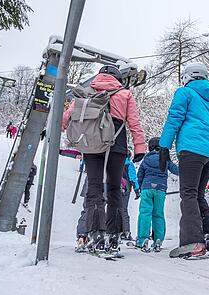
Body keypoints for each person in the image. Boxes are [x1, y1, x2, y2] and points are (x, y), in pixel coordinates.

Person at [62, 63, 146, 252]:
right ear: (118, 78)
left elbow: (69, 116)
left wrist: (52, 132)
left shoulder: (86, 92)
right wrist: (140, 147)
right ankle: (114, 236)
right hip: (117, 144)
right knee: (115, 188)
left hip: (91, 144)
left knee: (94, 186)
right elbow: (134, 123)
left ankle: (95, 234)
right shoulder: (125, 94)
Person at [159, 62, 209, 258]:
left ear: (187, 77)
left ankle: (193, 242)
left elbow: (174, 118)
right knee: (198, 195)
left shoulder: (185, 93)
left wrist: (164, 146)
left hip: (191, 150)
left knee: (189, 194)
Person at [135, 137, 179, 252]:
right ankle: (158, 239)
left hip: (147, 188)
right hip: (160, 190)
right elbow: (176, 170)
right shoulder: (165, 159)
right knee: (158, 213)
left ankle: (142, 239)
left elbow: (139, 175)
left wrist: (139, 188)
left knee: (145, 213)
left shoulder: (146, 160)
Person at [106, 157, 139, 247]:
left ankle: (111, 230)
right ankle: (126, 231)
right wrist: (136, 189)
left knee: (112, 207)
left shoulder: (113, 161)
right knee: (123, 209)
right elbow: (133, 178)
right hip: (125, 187)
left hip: (114, 185)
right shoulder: (129, 164)